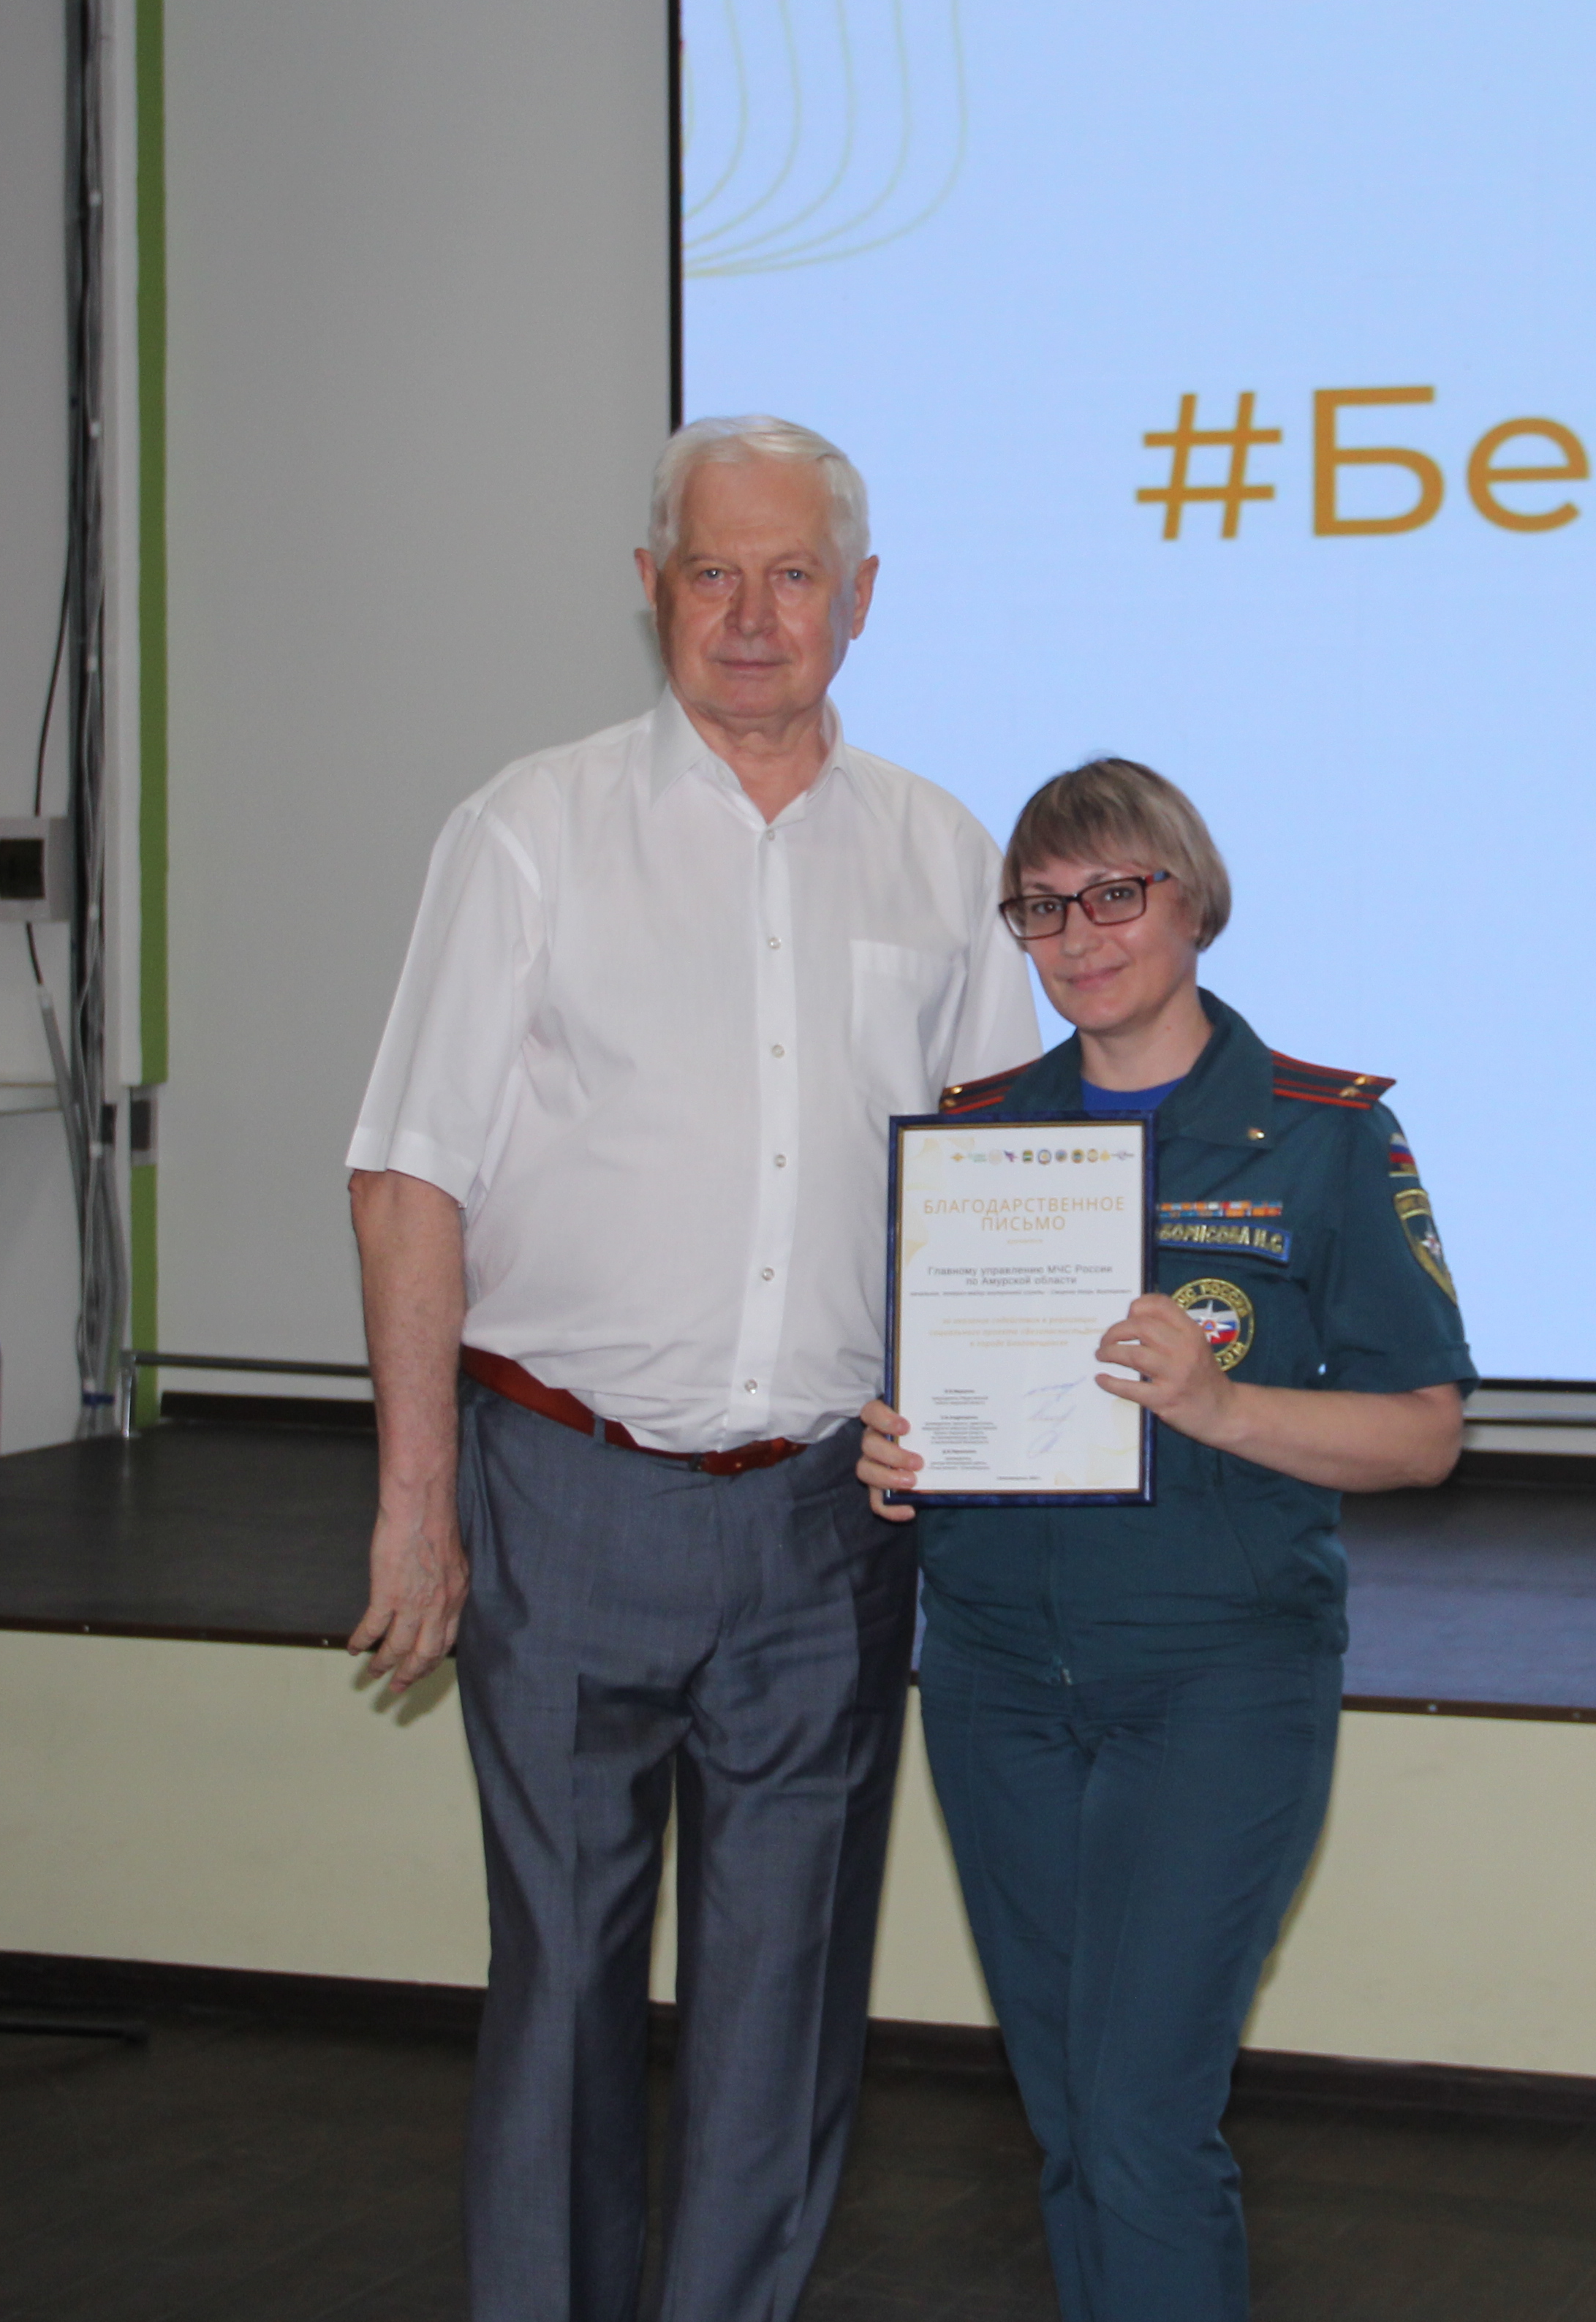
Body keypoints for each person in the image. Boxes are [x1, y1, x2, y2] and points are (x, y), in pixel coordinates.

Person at [344, 416, 1040, 2322]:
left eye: (792, 574)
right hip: (563, 1501)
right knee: (564, 1983)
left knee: (786, 2010)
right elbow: (408, 1177)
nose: (751, 615)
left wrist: (987, 1445)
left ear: (860, 600)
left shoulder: (943, 855)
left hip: (830, 1528)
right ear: (649, 589)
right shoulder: (529, 832)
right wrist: (417, 1508)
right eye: (712, 573)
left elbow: (1000, 1196)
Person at [855, 758, 1472, 2322]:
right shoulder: (978, 1137)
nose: (1081, 936)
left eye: (1116, 895)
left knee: (1139, 2122)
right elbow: (943, 1385)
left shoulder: (1326, 1135)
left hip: (1217, 1684)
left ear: (1193, 901)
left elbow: (1423, 1435)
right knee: (1072, 2121)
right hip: (994, 1679)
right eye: (1042, 908)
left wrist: (1223, 1406)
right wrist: (899, 1450)